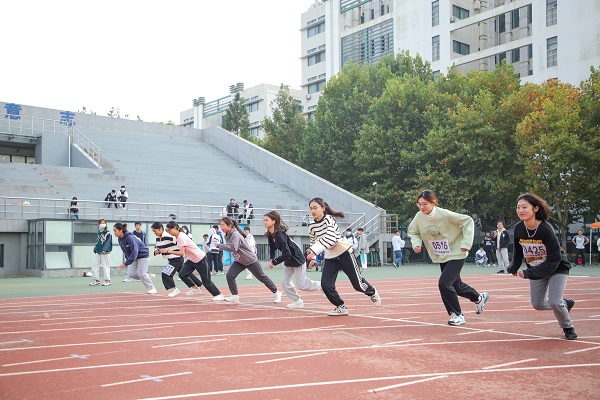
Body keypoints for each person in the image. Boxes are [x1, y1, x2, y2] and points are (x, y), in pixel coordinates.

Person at [407, 190, 489, 326]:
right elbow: (413, 232)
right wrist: (416, 243)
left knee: (444, 283)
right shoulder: (419, 217)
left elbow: (468, 221)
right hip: (442, 254)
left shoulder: (444, 214)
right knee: (457, 286)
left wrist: (466, 244)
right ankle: (478, 297)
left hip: (457, 252)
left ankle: (457, 315)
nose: (422, 207)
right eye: (419, 204)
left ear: (433, 202)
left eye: (425, 204)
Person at [507, 193, 577, 340]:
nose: (520, 210)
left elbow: (554, 258)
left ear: (535, 209)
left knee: (554, 301)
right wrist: (514, 267)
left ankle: (567, 327)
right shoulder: (519, 228)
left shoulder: (545, 229)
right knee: (538, 304)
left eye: (524, 207)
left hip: (557, 267)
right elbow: (518, 250)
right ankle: (565, 304)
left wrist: (529, 273)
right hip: (536, 268)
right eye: (518, 207)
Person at [305, 198, 381, 316]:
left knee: (357, 285)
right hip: (330, 257)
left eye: (315, 208)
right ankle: (340, 306)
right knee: (325, 285)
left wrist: (313, 252)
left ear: (323, 208)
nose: (313, 211)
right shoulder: (312, 225)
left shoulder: (329, 220)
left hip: (344, 253)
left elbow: (331, 238)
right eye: (311, 208)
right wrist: (314, 257)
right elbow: (313, 240)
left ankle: (372, 292)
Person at [216, 217, 281, 304]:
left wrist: (219, 246)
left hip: (249, 259)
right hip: (240, 260)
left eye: (223, 225)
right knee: (230, 275)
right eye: (220, 225)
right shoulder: (227, 235)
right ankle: (235, 297)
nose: (221, 227)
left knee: (262, 277)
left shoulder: (235, 235)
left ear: (229, 225)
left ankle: (277, 293)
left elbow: (234, 248)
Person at [264, 211, 321, 309]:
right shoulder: (270, 234)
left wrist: (275, 262)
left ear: (273, 221)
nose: (264, 222)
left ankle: (322, 285)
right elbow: (272, 248)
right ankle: (297, 301)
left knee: (302, 285)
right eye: (264, 220)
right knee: (285, 282)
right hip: (288, 260)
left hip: (297, 259)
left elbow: (287, 253)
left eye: (266, 220)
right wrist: (272, 259)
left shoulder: (280, 235)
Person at [161, 221, 223, 301]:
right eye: (167, 230)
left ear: (175, 228)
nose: (169, 232)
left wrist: (168, 251)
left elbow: (181, 253)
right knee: (182, 274)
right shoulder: (178, 236)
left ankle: (218, 294)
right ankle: (195, 288)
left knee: (206, 281)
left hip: (200, 259)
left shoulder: (180, 237)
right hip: (192, 260)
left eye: (169, 230)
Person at [151, 222, 204, 297]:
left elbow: (180, 242)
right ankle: (199, 285)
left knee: (166, 273)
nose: (154, 233)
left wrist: (184, 251)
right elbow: (158, 247)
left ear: (160, 229)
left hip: (176, 259)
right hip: (171, 259)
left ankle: (174, 289)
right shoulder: (158, 238)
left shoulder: (169, 236)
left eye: (155, 231)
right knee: (186, 273)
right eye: (153, 231)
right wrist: (157, 251)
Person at [114, 222, 157, 294]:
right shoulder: (120, 238)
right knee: (131, 274)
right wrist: (128, 260)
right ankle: (148, 276)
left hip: (142, 255)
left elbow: (135, 252)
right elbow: (126, 250)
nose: (114, 232)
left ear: (121, 230)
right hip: (134, 257)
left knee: (141, 274)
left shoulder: (130, 238)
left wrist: (126, 264)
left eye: (115, 231)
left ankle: (152, 288)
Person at [88, 219, 112, 286]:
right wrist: (96, 249)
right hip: (98, 252)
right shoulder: (99, 232)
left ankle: (108, 280)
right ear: (99, 224)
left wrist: (104, 249)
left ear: (106, 224)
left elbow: (108, 242)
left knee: (105, 266)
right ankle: (96, 279)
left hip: (105, 252)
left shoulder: (108, 233)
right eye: (101, 223)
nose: (102, 224)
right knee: (94, 265)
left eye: (103, 223)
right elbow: (98, 242)